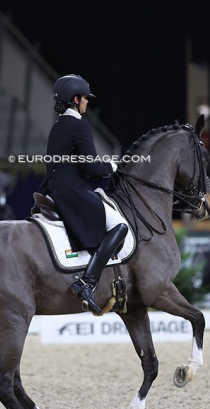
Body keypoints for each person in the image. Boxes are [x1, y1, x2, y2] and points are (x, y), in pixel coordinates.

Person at [40, 74, 128, 314]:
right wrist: (111, 167)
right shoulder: (79, 126)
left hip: (56, 186)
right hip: (71, 189)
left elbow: (72, 164)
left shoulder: (58, 126)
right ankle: (87, 282)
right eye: (85, 99)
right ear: (75, 99)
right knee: (120, 226)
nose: (87, 103)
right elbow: (90, 166)